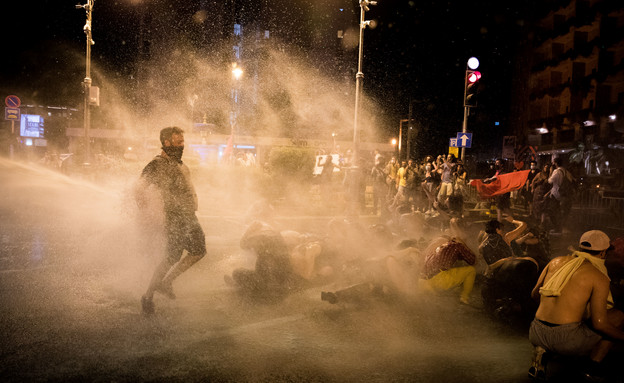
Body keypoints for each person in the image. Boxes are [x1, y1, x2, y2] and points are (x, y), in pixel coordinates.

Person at [528, 230, 624, 381]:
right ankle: (592, 368)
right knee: (617, 316)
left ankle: (543, 351)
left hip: (536, 332)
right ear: (603, 252)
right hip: (567, 340)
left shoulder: (555, 261)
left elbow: (535, 294)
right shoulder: (598, 276)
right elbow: (600, 324)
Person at [136, 126, 207, 315]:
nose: (182, 146)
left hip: (189, 216)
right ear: (166, 143)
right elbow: (139, 188)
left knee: (198, 251)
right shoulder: (157, 164)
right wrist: (145, 212)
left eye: (183, 142)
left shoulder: (179, 163)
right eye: (178, 142)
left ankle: (166, 283)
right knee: (171, 257)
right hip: (176, 218)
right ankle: (148, 295)